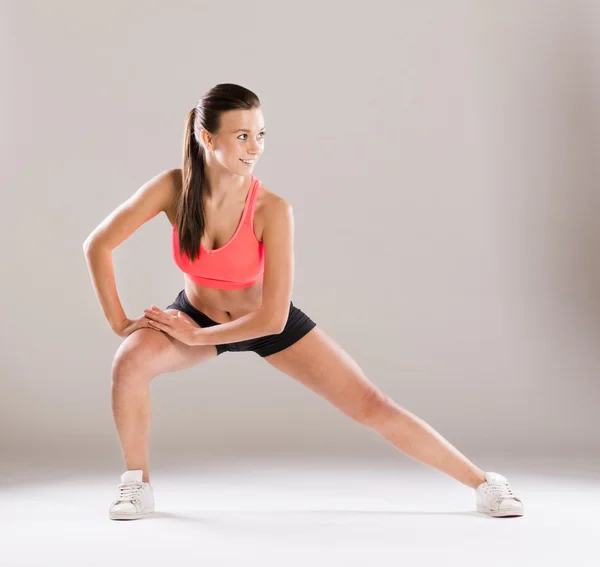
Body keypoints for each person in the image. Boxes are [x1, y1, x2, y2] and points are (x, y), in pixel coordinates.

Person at [83, 83, 524, 521]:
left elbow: (272, 318)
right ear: (207, 138)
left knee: (372, 404)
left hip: (262, 322)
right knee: (129, 363)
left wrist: (199, 336)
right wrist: (121, 322)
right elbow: (98, 245)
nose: (254, 147)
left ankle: (484, 483)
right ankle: (135, 485)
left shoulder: (272, 209)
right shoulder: (172, 188)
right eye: (242, 136)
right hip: (196, 316)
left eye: (260, 134)